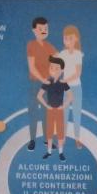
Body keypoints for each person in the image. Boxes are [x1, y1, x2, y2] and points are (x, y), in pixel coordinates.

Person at [26, 17, 57, 151]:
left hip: (48, 85)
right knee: (33, 111)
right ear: (34, 30)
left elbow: (59, 62)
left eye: (46, 28)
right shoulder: (31, 45)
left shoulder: (50, 47)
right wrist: (42, 79)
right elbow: (32, 67)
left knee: (47, 113)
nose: (44, 31)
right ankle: (32, 140)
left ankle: (47, 139)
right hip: (35, 84)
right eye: (40, 29)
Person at [37, 56, 72, 160]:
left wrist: (63, 106)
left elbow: (71, 96)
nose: (54, 70)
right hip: (50, 110)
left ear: (62, 70)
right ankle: (49, 152)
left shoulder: (63, 83)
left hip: (59, 110)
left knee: (60, 131)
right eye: (52, 68)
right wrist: (47, 105)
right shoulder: (47, 82)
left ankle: (61, 152)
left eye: (57, 68)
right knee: (49, 132)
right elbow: (39, 96)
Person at [60, 25, 85, 149]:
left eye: (70, 38)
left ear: (76, 39)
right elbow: (59, 69)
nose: (68, 41)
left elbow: (78, 73)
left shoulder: (78, 54)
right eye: (65, 38)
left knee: (76, 113)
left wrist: (65, 80)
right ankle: (62, 138)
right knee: (63, 113)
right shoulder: (62, 54)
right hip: (65, 89)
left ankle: (77, 139)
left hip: (76, 88)